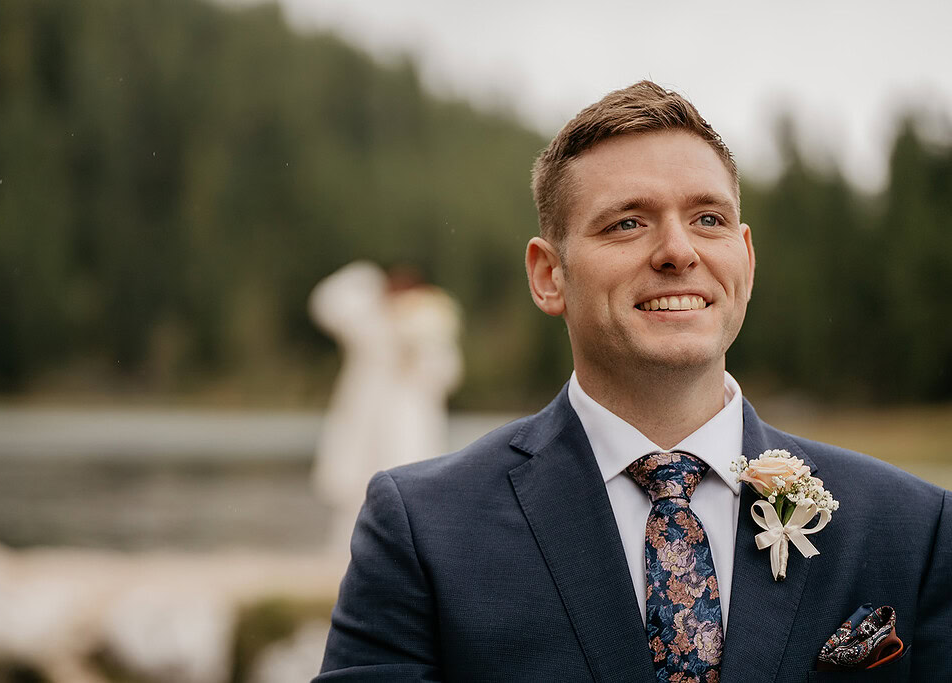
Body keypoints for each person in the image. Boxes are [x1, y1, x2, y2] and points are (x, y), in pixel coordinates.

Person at [315, 81, 951, 681]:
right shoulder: (423, 529)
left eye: (708, 219)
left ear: (747, 260)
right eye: (627, 222)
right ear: (548, 276)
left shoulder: (912, 529)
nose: (679, 251)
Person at [309, 261, 462, 553]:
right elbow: (326, 302)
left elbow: (447, 374)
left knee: (413, 486)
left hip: (412, 421)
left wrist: (418, 349)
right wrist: (370, 279)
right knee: (357, 491)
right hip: (366, 418)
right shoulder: (369, 321)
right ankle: (347, 554)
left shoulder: (431, 323)